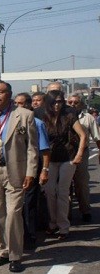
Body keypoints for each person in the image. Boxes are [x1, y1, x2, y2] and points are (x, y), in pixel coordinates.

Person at [0, 81, 38, 272]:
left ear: (9, 94)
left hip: (16, 172)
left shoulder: (25, 115)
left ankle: (15, 255)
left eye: (1, 92)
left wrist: (31, 172)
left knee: (13, 214)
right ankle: (1, 251)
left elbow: (32, 148)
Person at [41, 90, 86, 240]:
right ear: (48, 103)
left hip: (68, 157)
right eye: (54, 102)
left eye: (60, 101)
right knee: (49, 191)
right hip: (50, 158)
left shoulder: (69, 115)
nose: (57, 105)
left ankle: (63, 227)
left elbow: (83, 135)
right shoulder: (43, 116)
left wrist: (79, 154)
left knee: (62, 192)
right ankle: (53, 223)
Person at [14, 93, 51, 249]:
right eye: (16, 103)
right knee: (15, 204)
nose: (18, 107)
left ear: (29, 105)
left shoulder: (37, 123)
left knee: (29, 204)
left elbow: (44, 151)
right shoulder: (10, 123)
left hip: (31, 169)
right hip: (14, 169)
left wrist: (44, 170)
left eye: (21, 103)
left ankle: (29, 236)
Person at [67, 94, 99, 222]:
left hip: (82, 153)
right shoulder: (62, 116)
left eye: (76, 102)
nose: (73, 104)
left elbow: (97, 137)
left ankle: (85, 210)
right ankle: (66, 213)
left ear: (81, 104)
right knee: (65, 185)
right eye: (70, 102)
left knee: (82, 183)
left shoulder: (88, 118)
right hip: (65, 154)